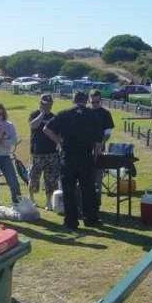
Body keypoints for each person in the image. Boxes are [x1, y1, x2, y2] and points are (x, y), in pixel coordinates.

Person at [45, 91, 102, 230]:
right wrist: (95, 155)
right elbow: (98, 141)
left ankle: (71, 221)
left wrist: (59, 142)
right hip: (85, 156)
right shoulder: (92, 115)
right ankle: (90, 219)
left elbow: (46, 129)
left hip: (68, 156)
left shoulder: (64, 114)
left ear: (73, 100)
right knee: (87, 189)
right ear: (86, 101)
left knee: (68, 190)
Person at [28, 94, 60, 210]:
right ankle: (31, 199)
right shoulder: (34, 114)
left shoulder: (54, 117)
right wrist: (42, 114)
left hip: (51, 153)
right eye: (44, 104)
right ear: (40, 103)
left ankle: (48, 202)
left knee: (50, 179)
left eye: (49, 104)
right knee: (34, 177)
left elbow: (58, 134)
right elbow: (33, 125)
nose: (47, 106)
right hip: (37, 152)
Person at [88, 90, 115, 207]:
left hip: (99, 150)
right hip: (84, 150)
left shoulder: (105, 114)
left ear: (101, 101)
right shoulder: (86, 112)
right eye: (92, 102)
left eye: (97, 102)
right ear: (89, 101)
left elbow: (108, 133)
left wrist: (100, 145)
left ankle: (96, 203)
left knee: (98, 177)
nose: (95, 104)